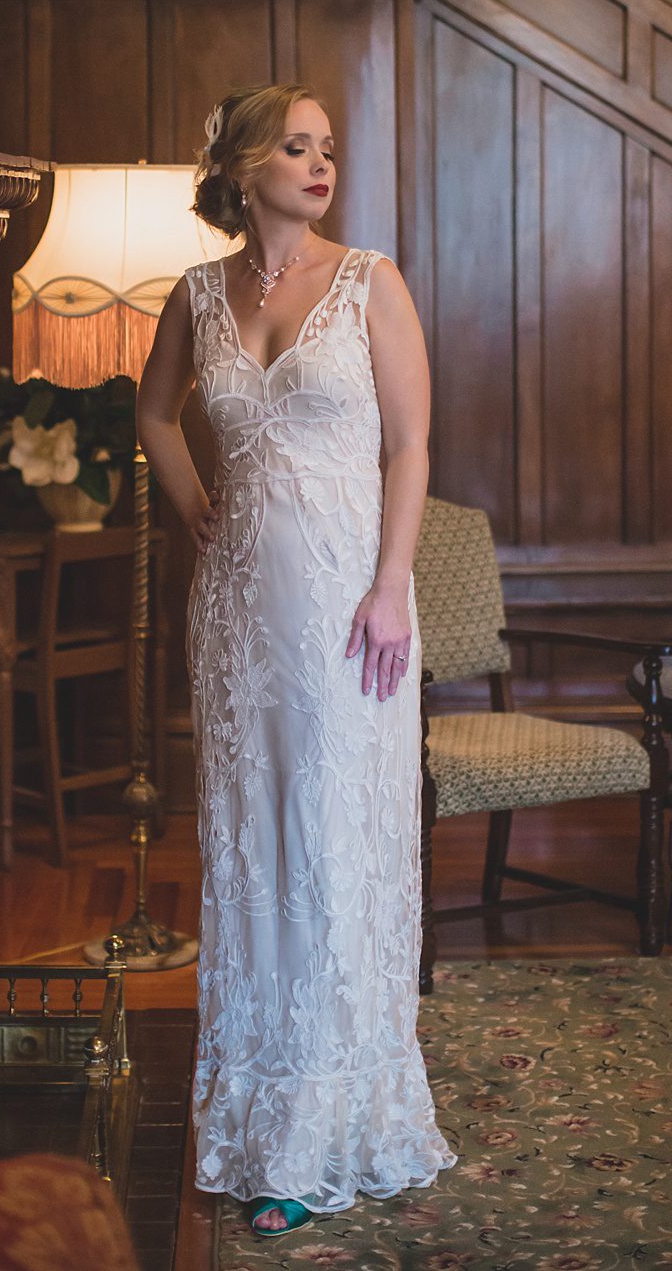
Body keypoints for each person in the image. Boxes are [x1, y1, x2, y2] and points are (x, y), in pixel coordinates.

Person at [136, 83, 457, 1236]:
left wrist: (390, 587)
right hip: (234, 621)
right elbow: (155, 415)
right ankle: (258, 1124)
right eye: (295, 147)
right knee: (252, 853)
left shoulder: (371, 282)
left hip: (346, 614)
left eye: (327, 148)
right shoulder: (196, 293)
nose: (320, 165)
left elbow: (413, 446)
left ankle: (330, 1131)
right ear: (241, 168)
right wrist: (194, 506)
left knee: (329, 849)